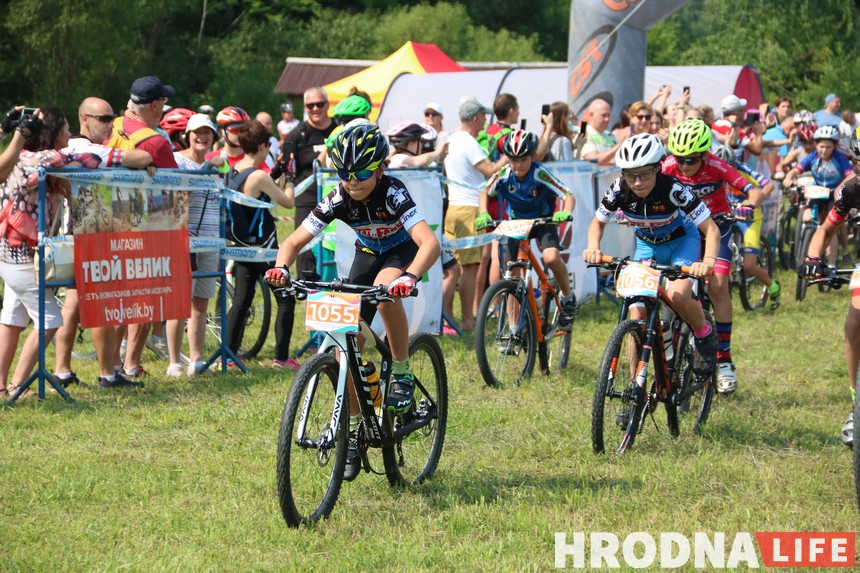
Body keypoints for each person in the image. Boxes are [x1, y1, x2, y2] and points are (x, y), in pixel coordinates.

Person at [266, 124, 440, 478]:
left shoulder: (393, 192)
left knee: (385, 292)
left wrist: (410, 276)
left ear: (380, 169)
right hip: (368, 253)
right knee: (345, 346)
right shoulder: (338, 197)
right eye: (344, 174)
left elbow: (429, 243)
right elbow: (293, 242)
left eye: (361, 174)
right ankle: (356, 429)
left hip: (401, 252)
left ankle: (402, 371)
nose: (352, 182)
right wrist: (281, 267)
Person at [582, 133, 720, 374]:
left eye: (645, 174)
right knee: (637, 311)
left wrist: (708, 262)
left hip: (682, 242)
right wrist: (593, 246)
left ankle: (704, 334)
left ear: (658, 168)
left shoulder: (673, 189)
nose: (637, 182)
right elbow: (597, 223)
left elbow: (711, 228)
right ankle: (636, 385)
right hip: (647, 245)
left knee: (677, 297)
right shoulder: (618, 188)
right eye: (631, 175)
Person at [0, 107, 102, 398]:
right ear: (54, 133)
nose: (70, 135)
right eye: (66, 129)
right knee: (50, 320)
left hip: (14, 252)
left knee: (13, 319)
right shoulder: (39, 159)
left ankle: (1, 386)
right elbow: (90, 159)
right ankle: (18, 385)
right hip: (19, 255)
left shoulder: (21, 158)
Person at [53, 97, 154, 390]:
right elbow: (140, 157)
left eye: (113, 118)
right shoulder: (92, 150)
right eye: (105, 119)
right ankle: (107, 373)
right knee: (101, 303)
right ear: (84, 119)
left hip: (74, 232)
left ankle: (62, 370)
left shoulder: (67, 149)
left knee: (73, 303)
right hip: (91, 234)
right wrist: (145, 161)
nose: (112, 124)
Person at [663, 118, 765, 395]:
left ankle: (724, 359)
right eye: (680, 159)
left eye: (691, 160)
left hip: (716, 229)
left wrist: (748, 204)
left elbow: (755, 190)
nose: (684, 166)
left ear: (705, 153)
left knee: (718, 286)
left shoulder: (717, 165)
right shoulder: (669, 165)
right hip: (684, 233)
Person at [111, 76, 179, 380]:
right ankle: (131, 364)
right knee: (144, 299)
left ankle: (112, 362)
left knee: (117, 300)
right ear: (154, 105)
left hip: (109, 226)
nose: (164, 106)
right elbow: (177, 182)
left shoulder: (113, 127)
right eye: (163, 101)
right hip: (146, 228)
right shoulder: (155, 141)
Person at [474, 129, 577, 326]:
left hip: (542, 221)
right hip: (518, 224)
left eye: (523, 159)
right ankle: (514, 327)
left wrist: (566, 211)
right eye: (513, 160)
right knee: (512, 273)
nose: (518, 165)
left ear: (532, 157)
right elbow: (484, 192)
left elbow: (567, 194)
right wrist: (483, 212)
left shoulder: (539, 173)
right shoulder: (504, 174)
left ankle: (567, 297)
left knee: (551, 257)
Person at [798, 134, 860, 447]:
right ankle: (856, 404)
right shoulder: (852, 189)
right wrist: (812, 259)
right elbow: (825, 230)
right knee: (854, 321)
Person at [225, 120, 298, 369]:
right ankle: (281, 358)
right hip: (264, 248)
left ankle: (229, 355)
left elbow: (258, 192)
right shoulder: (258, 175)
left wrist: (275, 173)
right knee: (286, 298)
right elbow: (287, 202)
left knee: (242, 300)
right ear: (263, 147)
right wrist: (290, 178)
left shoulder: (234, 170)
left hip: (242, 246)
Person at [166, 113, 224, 377]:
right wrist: (205, 170)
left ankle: (197, 361)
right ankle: (174, 362)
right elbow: (178, 196)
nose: (202, 137)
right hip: (184, 240)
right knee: (179, 303)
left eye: (207, 132)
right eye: (197, 132)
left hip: (210, 239)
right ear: (186, 136)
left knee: (200, 303)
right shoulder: (177, 161)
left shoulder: (217, 163)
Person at [443, 96, 506, 330]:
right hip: (469, 209)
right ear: (476, 118)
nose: (486, 122)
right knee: (470, 268)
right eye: (484, 117)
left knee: (453, 269)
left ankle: (448, 319)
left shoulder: (452, 139)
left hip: (453, 208)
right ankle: (468, 320)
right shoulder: (469, 143)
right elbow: (490, 170)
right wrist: (509, 156)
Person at [713, 145, 782, 308]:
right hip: (727, 214)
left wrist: (752, 204)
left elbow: (768, 185)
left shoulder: (742, 169)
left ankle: (773, 287)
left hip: (749, 218)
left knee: (749, 266)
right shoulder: (711, 171)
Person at [282, 86, 336, 278]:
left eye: (319, 104)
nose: (315, 109)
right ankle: (306, 295)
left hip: (335, 200)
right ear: (304, 107)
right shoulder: (297, 134)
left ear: (327, 105)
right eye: (310, 105)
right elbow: (286, 167)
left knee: (334, 252)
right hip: (306, 201)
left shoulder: (338, 129)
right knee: (305, 256)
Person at [581, 98, 628, 166]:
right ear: (591, 115)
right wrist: (619, 145)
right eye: (603, 115)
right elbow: (593, 160)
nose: (607, 119)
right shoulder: (584, 134)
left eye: (608, 115)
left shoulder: (610, 135)